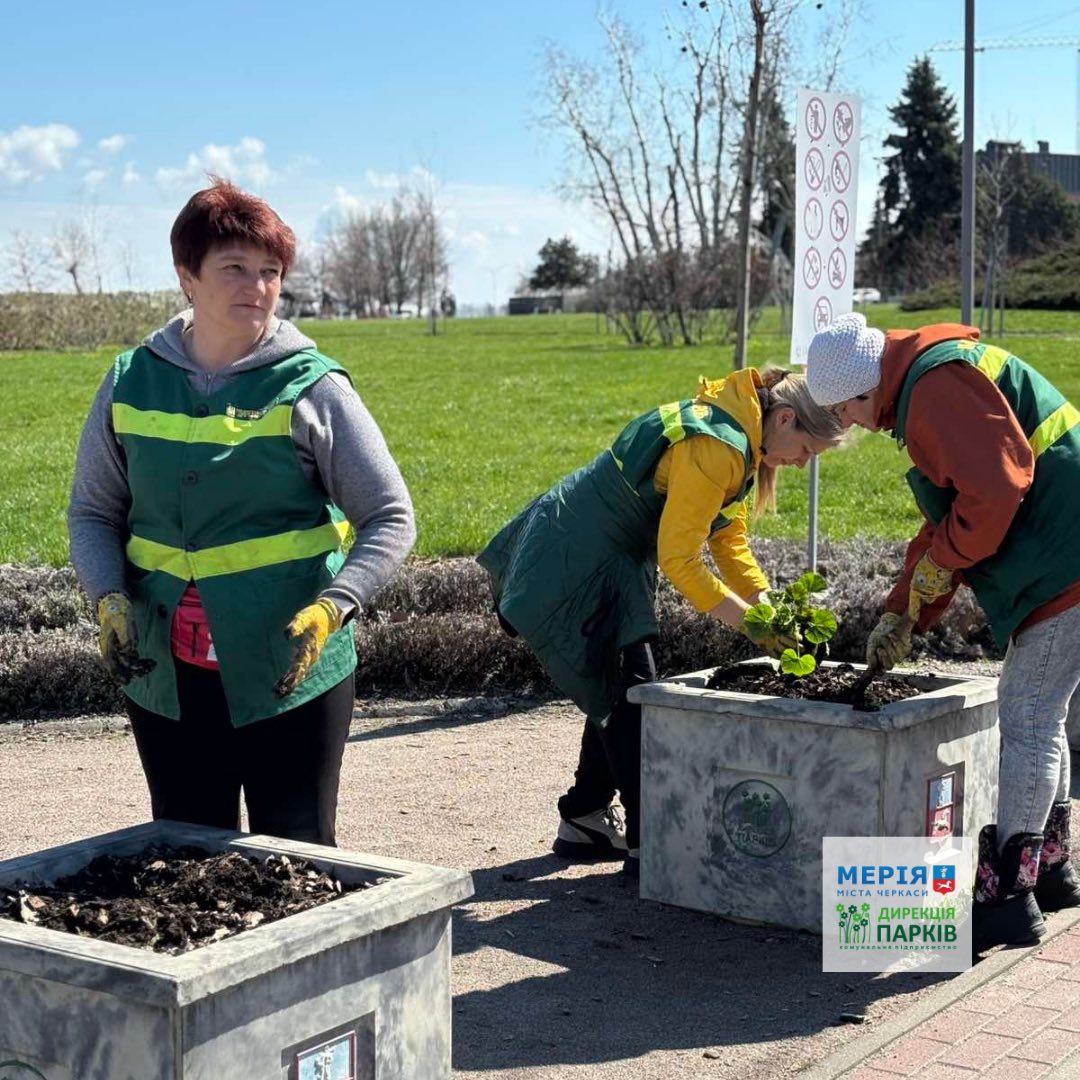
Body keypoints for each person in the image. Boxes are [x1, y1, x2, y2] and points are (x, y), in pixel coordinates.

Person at [68, 177, 415, 846]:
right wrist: (108, 599)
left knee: (298, 858)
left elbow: (391, 516)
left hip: (289, 668)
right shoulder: (130, 379)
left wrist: (334, 606)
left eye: (270, 272)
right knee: (188, 857)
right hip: (164, 674)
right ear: (186, 277)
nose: (256, 285)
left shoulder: (313, 386)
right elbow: (92, 511)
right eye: (234, 268)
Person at [478, 367, 845, 875]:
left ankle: (584, 816)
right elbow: (682, 562)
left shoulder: (739, 433)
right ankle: (651, 844)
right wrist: (754, 627)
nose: (803, 464)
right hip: (576, 555)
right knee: (635, 694)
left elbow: (728, 541)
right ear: (785, 418)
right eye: (808, 451)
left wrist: (770, 608)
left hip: (608, 553)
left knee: (619, 685)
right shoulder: (721, 444)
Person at [806, 312, 1080, 951]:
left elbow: (993, 492)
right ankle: (1055, 870)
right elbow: (954, 515)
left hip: (1066, 561)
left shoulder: (934, 388)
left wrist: (936, 572)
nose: (846, 423)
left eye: (842, 410)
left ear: (861, 387)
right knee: (1050, 713)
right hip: (1064, 551)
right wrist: (905, 607)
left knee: (1030, 717)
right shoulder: (928, 379)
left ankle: (1009, 896)